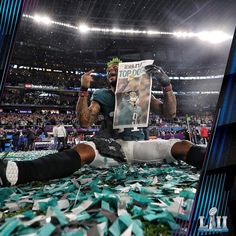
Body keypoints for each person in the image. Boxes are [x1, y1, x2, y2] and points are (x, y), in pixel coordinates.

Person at [0, 58, 206, 187]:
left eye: (116, 70)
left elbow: (170, 113)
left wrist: (167, 85)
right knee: (83, 149)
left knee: (181, 146)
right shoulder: (102, 95)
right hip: (113, 146)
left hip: (141, 145)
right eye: (109, 73)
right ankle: (20, 172)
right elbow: (85, 122)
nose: (111, 74)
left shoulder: (142, 91)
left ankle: (215, 161)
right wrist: (83, 90)